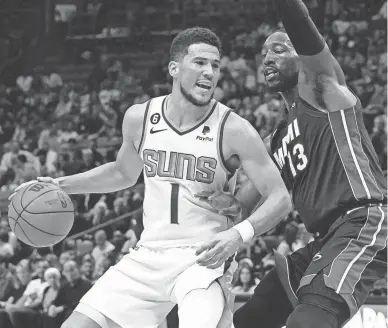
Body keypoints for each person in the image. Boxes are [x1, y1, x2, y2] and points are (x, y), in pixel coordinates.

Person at [10, 27, 292, 328]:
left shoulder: (234, 128)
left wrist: (237, 236)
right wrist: (59, 185)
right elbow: (122, 173)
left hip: (203, 257)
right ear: (174, 68)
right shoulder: (140, 117)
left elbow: (280, 198)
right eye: (199, 63)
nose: (210, 72)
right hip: (147, 255)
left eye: (215, 65)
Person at [204, 1, 387, 328]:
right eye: (263, 55)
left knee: (309, 321)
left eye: (278, 49)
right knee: (252, 317)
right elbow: (241, 203)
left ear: (301, 55)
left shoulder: (324, 89)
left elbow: (298, 19)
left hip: (364, 221)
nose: (267, 58)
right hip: (324, 239)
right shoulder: (275, 140)